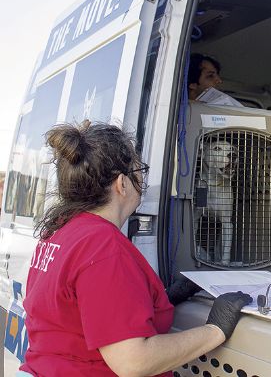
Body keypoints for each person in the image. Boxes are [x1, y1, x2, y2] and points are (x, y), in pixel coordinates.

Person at [20, 121, 252, 376]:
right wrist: (215, 330)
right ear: (122, 183)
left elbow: (76, 314)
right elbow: (133, 362)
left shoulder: (58, 232)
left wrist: (157, 300)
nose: (142, 178)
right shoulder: (102, 246)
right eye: (139, 170)